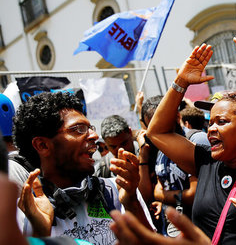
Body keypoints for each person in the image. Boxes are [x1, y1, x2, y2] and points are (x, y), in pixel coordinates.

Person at [147, 44, 236, 244]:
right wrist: (181, 81)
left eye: (221, 122)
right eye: (211, 122)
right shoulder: (205, 161)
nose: (211, 129)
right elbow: (156, 132)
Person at [13, 92, 154, 243]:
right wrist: (39, 232)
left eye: (90, 127)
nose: (94, 135)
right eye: (78, 129)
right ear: (42, 145)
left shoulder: (116, 190)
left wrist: (132, 202)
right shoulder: (21, 214)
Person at [140, 96, 198, 237]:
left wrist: (165, 196)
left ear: (177, 117)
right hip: (171, 233)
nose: (156, 132)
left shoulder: (194, 140)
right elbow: (156, 190)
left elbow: (194, 194)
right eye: (152, 128)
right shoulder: (160, 148)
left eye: (161, 125)